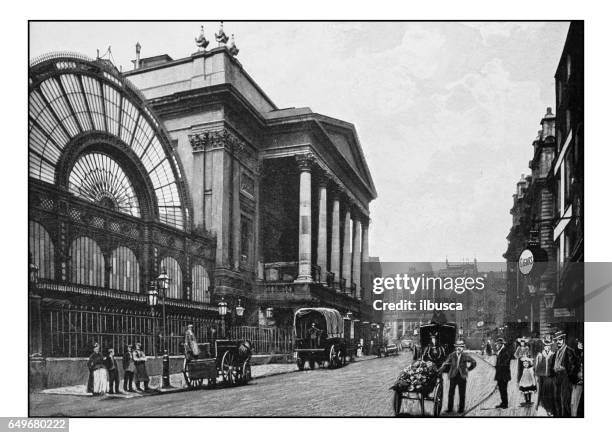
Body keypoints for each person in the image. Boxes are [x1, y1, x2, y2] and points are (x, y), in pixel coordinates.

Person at [438, 340, 477, 414]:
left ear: (463, 348)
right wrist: (440, 369)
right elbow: (446, 363)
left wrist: (468, 369)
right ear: (455, 347)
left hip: (462, 377)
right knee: (451, 393)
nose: (459, 348)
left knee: (462, 394)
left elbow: (474, 362)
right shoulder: (451, 355)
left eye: (461, 347)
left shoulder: (465, 356)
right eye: (458, 346)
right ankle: (449, 409)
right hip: (453, 376)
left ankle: (461, 409)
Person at [552, 331, 577, 417]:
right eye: (557, 340)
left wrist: (566, 371)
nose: (558, 342)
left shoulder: (569, 351)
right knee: (557, 399)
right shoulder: (556, 352)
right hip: (557, 377)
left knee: (565, 401)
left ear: (564, 340)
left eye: (560, 340)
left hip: (566, 378)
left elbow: (574, 366)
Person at [534, 336, 556, 416]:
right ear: (544, 346)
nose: (547, 347)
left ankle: (549, 409)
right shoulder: (540, 355)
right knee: (542, 393)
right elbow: (536, 367)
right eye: (546, 346)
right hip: (541, 377)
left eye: (549, 346)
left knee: (549, 392)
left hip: (550, 377)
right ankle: (543, 408)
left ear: (550, 347)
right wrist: (536, 376)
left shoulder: (553, 355)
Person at [494, 337, 512, 409]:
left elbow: (506, 362)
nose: (496, 346)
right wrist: (497, 366)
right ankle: (503, 402)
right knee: (501, 389)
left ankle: (505, 404)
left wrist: (498, 366)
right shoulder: (500, 351)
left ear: (501, 344)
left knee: (503, 389)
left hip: (504, 374)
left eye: (497, 344)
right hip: (500, 374)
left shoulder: (505, 351)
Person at [571, 339, 584, 417]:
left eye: (581, 344)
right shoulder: (576, 353)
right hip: (576, 380)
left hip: (581, 380)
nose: (580, 345)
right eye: (579, 344)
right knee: (574, 400)